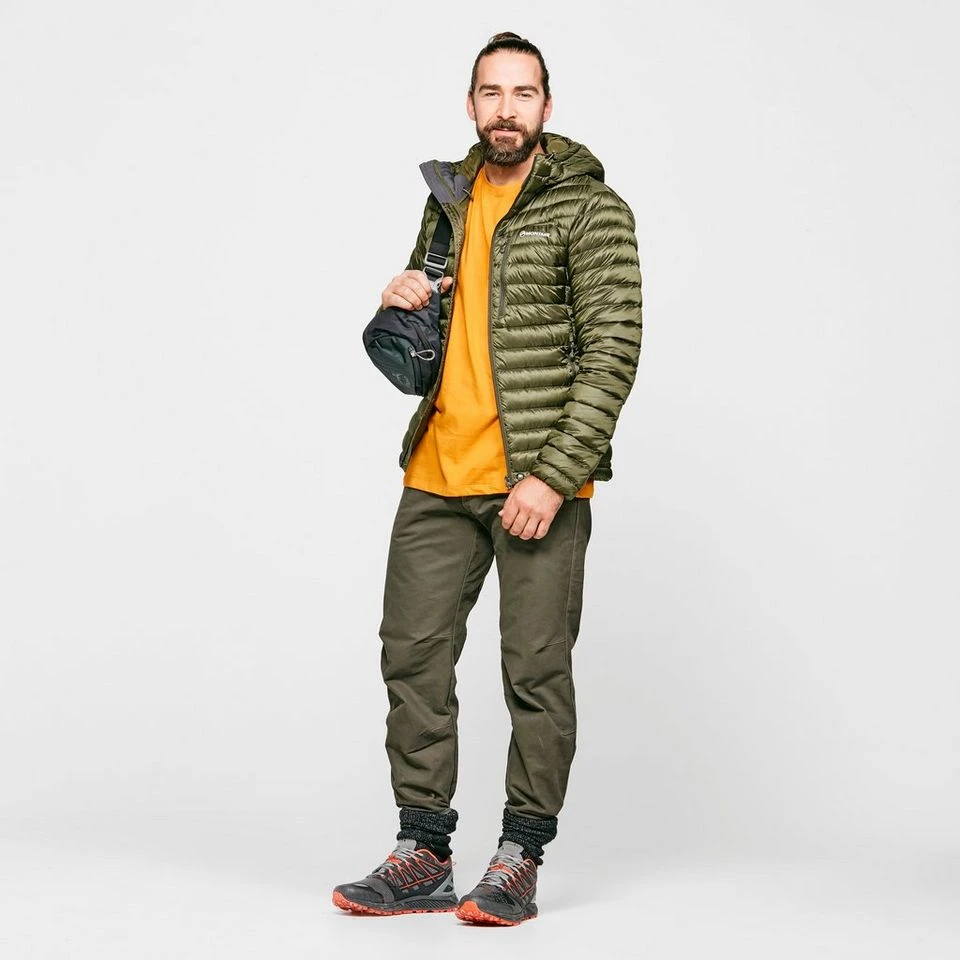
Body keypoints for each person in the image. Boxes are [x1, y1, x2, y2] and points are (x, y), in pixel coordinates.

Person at [333, 32, 643, 925]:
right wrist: (399, 303)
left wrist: (554, 475)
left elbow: (614, 350)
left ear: (547, 105)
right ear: (471, 105)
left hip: (537, 479)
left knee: (534, 671)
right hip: (438, 467)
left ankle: (520, 856)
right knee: (412, 656)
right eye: (491, 93)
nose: (507, 109)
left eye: (523, 93)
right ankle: (424, 851)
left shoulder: (592, 209)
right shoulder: (448, 199)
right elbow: (433, 346)